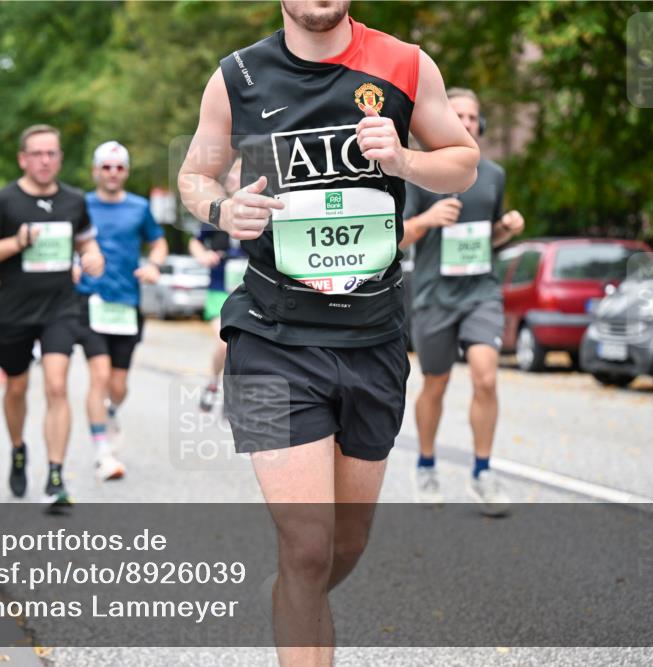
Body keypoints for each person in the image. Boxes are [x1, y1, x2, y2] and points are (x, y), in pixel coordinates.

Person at [177, 2, 479, 663]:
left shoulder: (405, 62)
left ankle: (293, 592)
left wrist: (402, 160)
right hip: (270, 335)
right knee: (309, 545)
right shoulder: (237, 77)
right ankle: (299, 585)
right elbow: (193, 176)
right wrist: (224, 208)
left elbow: (463, 161)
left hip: (372, 340)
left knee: (344, 546)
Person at [400, 87, 525, 515]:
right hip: (435, 295)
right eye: (460, 116)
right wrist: (428, 218)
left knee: (486, 378)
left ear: (481, 125)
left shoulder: (492, 174)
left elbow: (487, 238)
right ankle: (426, 464)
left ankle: (483, 472)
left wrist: (506, 228)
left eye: (474, 117)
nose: (468, 123)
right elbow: (396, 237)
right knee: (435, 382)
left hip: (481, 292)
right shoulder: (420, 171)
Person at [0, 124, 104, 504]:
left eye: (52, 154)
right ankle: (18, 449)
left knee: (57, 385)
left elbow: (86, 241)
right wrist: (16, 242)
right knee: (16, 388)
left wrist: (93, 256)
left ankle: (56, 475)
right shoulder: (2, 201)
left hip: (61, 307)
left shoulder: (75, 201)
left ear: (59, 158)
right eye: (37, 154)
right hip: (13, 311)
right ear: (23, 158)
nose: (45, 160)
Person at [75, 141, 168, 481]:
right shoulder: (80, 204)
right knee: (98, 377)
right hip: (90, 300)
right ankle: (102, 451)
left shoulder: (139, 207)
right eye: (106, 167)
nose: (112, 173)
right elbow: (65, 240)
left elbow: (158, 242)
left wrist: (155, 265)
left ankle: (110, 412)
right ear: (95, 171)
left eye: (118, 167)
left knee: (119, 385)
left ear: (125, 172)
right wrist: (73, 264)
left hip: (126, 303)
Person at [189, 160, 247, 413]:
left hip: (248, 293)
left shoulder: (265, 212)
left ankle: (232, 394)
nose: (238, 180)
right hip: (218, 292)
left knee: (245, 347)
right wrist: (202, 255)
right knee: (226, 343)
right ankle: (214, 383)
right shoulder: (216, 213)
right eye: (234, 176)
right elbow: (195, 243)